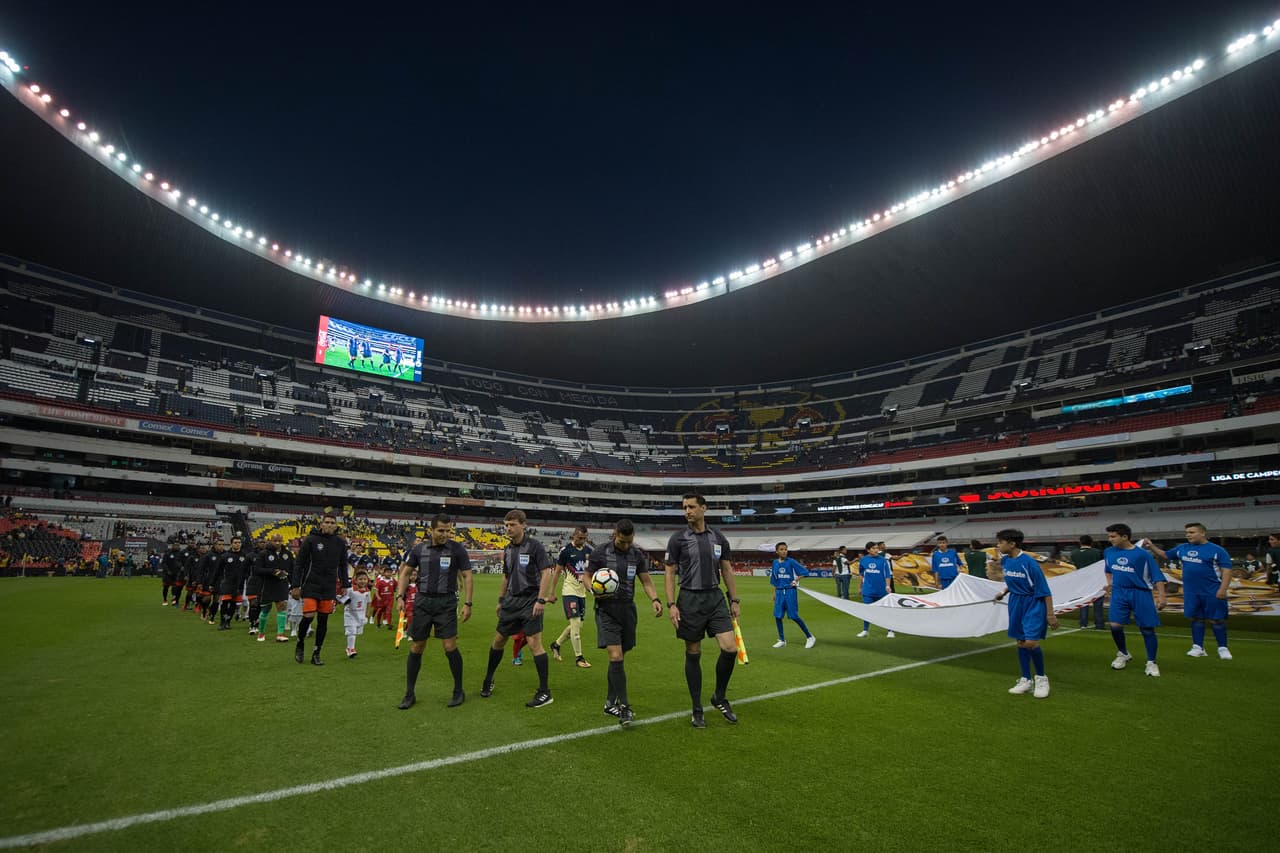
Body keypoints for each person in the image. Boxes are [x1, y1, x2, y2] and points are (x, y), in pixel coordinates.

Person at [664, 493, 742, 728]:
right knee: (693, 652)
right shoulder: (677, 539)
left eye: (691, 507)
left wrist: (734, 599)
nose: (687, 511)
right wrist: (671, 604)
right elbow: (669, 572)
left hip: (715, 598)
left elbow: (726, 569)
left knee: (730, 648)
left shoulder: (718, 537)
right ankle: (697, 709)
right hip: (689, 599)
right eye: (684, 507)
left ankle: (719, 696)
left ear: (703, 508)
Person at [586, 519, 663, 726]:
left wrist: (655, 599)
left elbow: (646, 580)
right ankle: (625, 707)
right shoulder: (600, 552)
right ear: (615, 534)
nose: (626, 545)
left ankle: (610, 702)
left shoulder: (636, 554)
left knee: (619, 658)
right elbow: (586, 576)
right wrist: (592, 589)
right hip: (606, 610)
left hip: (628, 610)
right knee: (616, 656)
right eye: (622, 542)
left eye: (629, 542)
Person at [396, 514, 473, 710]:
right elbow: (405, 572)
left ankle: (458, 691)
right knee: (417, 646)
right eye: (441, 531)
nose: (445, 534)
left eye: (448, 531)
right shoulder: (420, 549)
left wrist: (468, 603)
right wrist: (400, 596)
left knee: (449, 646)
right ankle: (409, 693)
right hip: (423, 601)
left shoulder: (457, 549)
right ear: (431, 530)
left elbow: (467, 575)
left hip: (446, 602)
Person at [479, 510, 554, 708]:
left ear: (523, 525)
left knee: (534, 643)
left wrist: (540, 600)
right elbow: (506, 576)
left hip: (531, 600)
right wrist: (500, 600)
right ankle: (488, 678)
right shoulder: (508, 549)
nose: (509, 528)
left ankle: (545, 691)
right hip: (511, 601)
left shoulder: (535, 546)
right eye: (506, 525)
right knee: (498, 640)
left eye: (512, 524)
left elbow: (546, 572)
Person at [1145, 523, 1233, 660]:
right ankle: (1198, 647)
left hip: (1212, 591)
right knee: (1196, 618)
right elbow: (1165, 555)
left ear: (1202, 533)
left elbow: (1227, 570)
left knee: (1216, 619)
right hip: (1192, 592)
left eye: (1192, 532)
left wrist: (1223, 589)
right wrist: (1151, 546)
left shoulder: (1217, 550)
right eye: (1187, 532)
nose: (1188, 535)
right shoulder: (1182, 548)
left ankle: (1223, 648)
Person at [993, 529, 1056, 698]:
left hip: (1033, 604)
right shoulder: (1005, 561)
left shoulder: (1029, 563)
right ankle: (1026, 680)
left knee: (1030, 643)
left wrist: (1050, 614)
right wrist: (1004, 592)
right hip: (1015, 603)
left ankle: (1042, 679)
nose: (998, 545)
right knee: (1020, 642)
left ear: (1012, 544)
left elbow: (1045, 590)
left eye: (1000, 542)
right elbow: (1012, 581)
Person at [1102, 523, 1167, 677]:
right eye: (1109, 536)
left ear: (1125, 537)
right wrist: (1110, 584)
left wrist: (1162, 596)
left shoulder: (1142, 555)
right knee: (1115, 626)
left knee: (1147, 628)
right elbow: (1108, 570)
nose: (1110, 539)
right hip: (1119, 593)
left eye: (1113, 536)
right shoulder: (1109, 552)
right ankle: (1123, 653)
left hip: (1140, 593)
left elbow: (1157, 575)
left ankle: (1151, 662)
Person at [290, 513, 351, 666]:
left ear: (336, 526)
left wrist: (345, 584)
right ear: (321, 524)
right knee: (309, 616)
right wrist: (295, 585)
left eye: (332, 523)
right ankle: (300, 642)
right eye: (327, 522)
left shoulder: (340, 543)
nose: (329, 525)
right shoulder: (311, 540)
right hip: (311, 584)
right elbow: (299, 564)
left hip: (329, 586)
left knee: (323, 620)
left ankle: (317, 652)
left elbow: (343, 565)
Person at [549, 525, 593, 668]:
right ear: (574, 535)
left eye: (585, 538)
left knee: (578, 625)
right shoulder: (566, 551)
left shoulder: (588, 551)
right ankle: (579, 658)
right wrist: (551, 592)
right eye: (580, 538)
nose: (582, 541)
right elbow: (557, 572)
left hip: (582, 593)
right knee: (575, 624)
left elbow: (590, 572)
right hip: (569, 592)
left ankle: (556, 645)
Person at [769, 542, 815, 648]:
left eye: (785, 549)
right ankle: (782, 640)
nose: (784, 551)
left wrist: (796, 579)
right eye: (781, 549)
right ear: (777, 551)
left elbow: (805, 572)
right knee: (778, 616)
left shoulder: (791, 562)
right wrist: (775, 593)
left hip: (790, 591)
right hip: (780, 592)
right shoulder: (775, 563)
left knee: (794, 616)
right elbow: (775, 579)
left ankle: (810, 637)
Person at [254, 533, 294, 643]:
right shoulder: (263, 554)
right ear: (270, 540)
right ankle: (261, 633)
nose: (277, 543)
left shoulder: (287, 554)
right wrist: (273, 571)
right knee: (265, 610)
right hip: (267, 585)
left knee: (282, 607)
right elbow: (257, 570)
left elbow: (292, 570)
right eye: (275, 540)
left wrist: (294, 585)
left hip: (282, 585)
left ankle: (280, 634)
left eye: (280, 541)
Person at [855, 542, 895, 639]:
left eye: (877, 548)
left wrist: (888, 586)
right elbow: (861, 575)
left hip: (882, 590)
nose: (876, 550)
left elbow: (887, 575)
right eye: (873, 548)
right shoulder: (863, 560)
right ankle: (865, 630)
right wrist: (860, 587)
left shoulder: (883, 560)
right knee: (866, 611)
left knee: (885, 611)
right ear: (868, 550)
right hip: (868, 590)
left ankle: (890, 630)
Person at [214, 536, 251, 631]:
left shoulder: (245, 556)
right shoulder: (225, 556)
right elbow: (218, 571)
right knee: (225, 603)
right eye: (235, 542)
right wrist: (213, 583)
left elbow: (248, 570)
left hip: (239, 584)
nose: (237, 544)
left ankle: (228, 622)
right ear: (231, 544)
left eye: (239, 542)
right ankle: (222, 622)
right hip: (227, 583)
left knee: (234, 604)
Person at [1070, 535, 1105, 629]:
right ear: (1091, 542)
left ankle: (1083, 623)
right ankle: (1099, 624)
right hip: (1096, 581)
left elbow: (1073, 568)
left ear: (1080, 542)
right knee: (1098, 604)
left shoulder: (1074, 553)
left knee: (1083, 603)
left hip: (1081, 582)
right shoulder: (1097, 552)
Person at [342, 571, 372, 658]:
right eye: (360, 579)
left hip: (361, 615)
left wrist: (367, 612)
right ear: (356, 580)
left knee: (357, 632)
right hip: (350, 614)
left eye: (364, 579)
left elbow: (368, 602)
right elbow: (343, 598)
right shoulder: (350, 590)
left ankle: (349, 647)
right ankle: (351, 649)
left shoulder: (367, 591)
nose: (362, 581)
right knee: (351, 632)